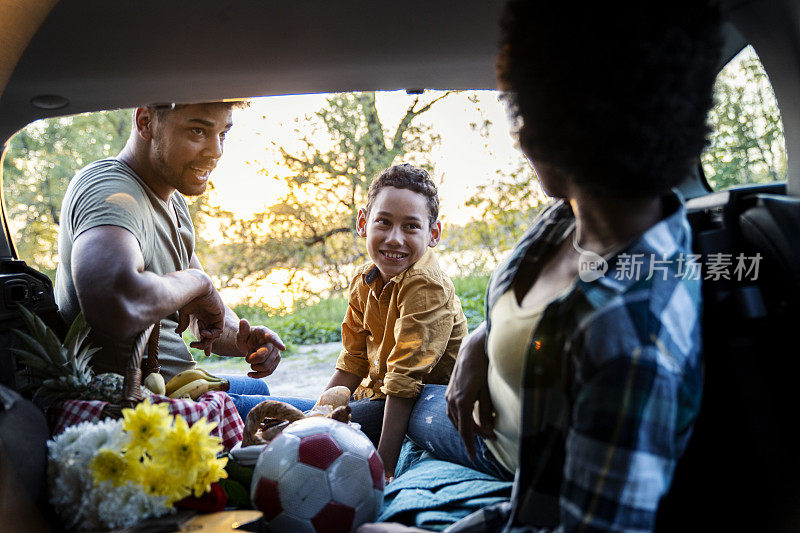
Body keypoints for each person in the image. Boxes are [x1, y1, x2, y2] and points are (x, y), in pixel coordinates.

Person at [359, 1, 722, 531]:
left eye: (526, 115)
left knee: (374, 421)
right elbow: (531, 317)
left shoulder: (632, 338)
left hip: (508, 458)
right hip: (484, 421)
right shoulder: (563, 220)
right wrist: (482, 342)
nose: (521, 138)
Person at [55, 101, 313, 419]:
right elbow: (115, 303)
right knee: (335, 419)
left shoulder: (172, 198)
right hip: (142, 408)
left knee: (262, 392)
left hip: (180, 388)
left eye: (223, 133)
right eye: (198, 130)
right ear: (146, 121)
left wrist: (243, 338)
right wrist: (200, 284)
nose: (216, 152)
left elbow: (198, 311)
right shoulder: (109, 191)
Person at [322, 164, 468, 480]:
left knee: (331, 437)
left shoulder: (427, 285)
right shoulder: (363, 280)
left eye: (411, 227)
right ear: (363, 223)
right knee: (308, 424)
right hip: (379, 393)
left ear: (433, 234)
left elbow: (404, 382)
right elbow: (352, 362)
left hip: (423, 397)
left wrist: (383, 468)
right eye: (383, 222)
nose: (394, 239)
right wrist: (316, 416)